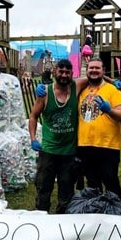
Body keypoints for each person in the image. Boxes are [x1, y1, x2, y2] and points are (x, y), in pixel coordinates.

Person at [28, 59, 80, 213]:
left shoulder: (76, 87)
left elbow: (96, 75)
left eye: (67, 72)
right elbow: (33, 116)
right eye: (61, 71)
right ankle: (41, 217)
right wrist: (33, 139)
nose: (64, 75)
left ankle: (63, 223)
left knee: (67, 190)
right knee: (43, 188)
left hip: (69, 152)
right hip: (48, 150)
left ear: (71, 73)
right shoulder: (45, 93)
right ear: (54, 72)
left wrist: (114, 81)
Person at [76, 57, 121, 199]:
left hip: (107, 145)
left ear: (103, 71)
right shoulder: (82, 90)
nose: (94, 71)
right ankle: (96, 210)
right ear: (87, 70)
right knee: (92, 183)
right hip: (85, 144)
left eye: (97, 68)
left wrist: (109, 110)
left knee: (110, 181)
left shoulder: (112, 90)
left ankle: (115, 211)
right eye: (91, 68)